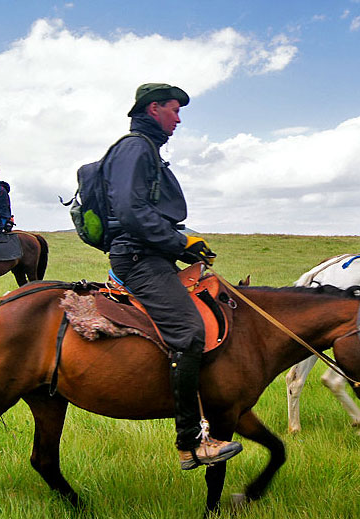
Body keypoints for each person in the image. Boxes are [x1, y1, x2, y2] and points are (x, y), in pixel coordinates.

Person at [103, 83, 243, 469]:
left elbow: (148, 212)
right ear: (153, 109)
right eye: (174, 110)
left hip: (152, 253)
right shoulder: (135, 148)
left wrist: (187, 244)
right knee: (188, 331)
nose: (179, 118)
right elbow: (132, 211)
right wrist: (180, 244)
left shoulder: (148, 151)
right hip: (139, 257)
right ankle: (191, 443)